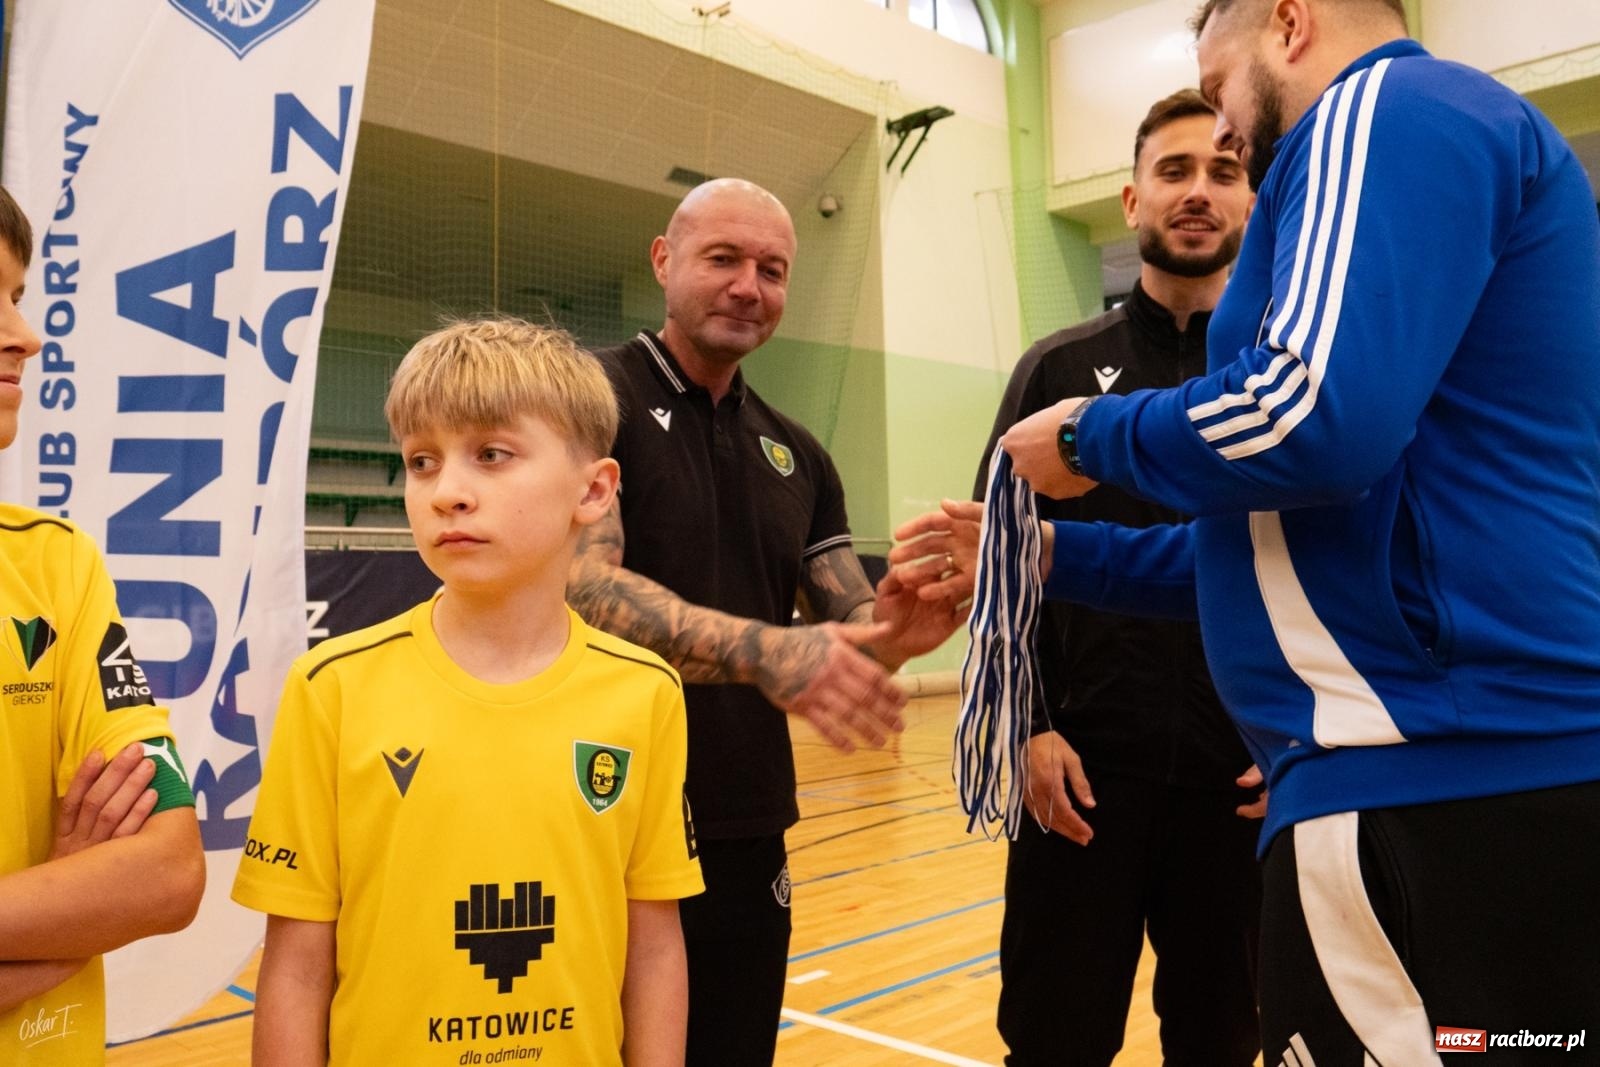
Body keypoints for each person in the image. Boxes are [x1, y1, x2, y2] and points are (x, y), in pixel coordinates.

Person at [909, 0, 1600, 1060]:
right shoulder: (1436, 137)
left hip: (1426, 774)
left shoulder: (1382, 106)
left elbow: (1313, 415)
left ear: (1289, 21)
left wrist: (1093, 436)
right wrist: (1054, 550)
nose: (1226, 132)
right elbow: (1283, 547)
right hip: (1443, 768)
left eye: (1219, 89)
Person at [569, 178, 966, 1066]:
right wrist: (766, 649)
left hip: (745, 820)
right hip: (595, 806)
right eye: (724, 259)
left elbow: (843, 618)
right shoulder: (586, 396)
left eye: (773, 269)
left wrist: (897, 632)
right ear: (663, 259)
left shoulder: (800, 453)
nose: (749, 286)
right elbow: (587, 590)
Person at [234, 319, 704, 1066]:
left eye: (491, 454)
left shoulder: (645, 693)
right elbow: (295, 967)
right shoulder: (333, 688)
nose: (447, 492)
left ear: (593, 490)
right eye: (421, 462)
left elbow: (652, 949)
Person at [970, 89, 1261, 1067]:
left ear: (1252, 200)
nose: (1197, 191)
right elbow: (999, 564)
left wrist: (1297, 738)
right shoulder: (1054, 371)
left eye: (1222, 171)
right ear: (1132, 200)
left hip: (1240, 786)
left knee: (1224, 1042)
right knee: (1054, 1040)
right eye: (1173, 171)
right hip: (1079, 780)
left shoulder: (1279, 377)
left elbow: (1318, 569)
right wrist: (1027, 724)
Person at [0, 185, 206, 1064]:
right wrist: (63, 904)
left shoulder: (58, 566)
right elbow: (111, 896)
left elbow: (169, 872)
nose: (26, 335)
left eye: (16, 296)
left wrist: (95, 897)